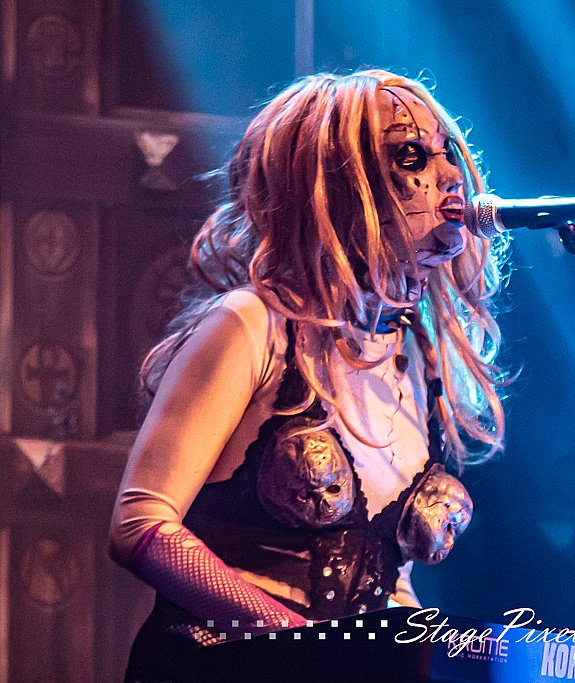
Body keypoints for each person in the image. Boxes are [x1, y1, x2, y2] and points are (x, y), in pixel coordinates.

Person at [108, 70, 510, 680]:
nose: (452, 177)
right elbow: (141, 526)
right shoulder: (252, 324)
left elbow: (389, 583)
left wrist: (422, 653)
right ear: (340, 189)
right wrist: (299, 642)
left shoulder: (419, 352)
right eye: (411, 157)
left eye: (447, 152)